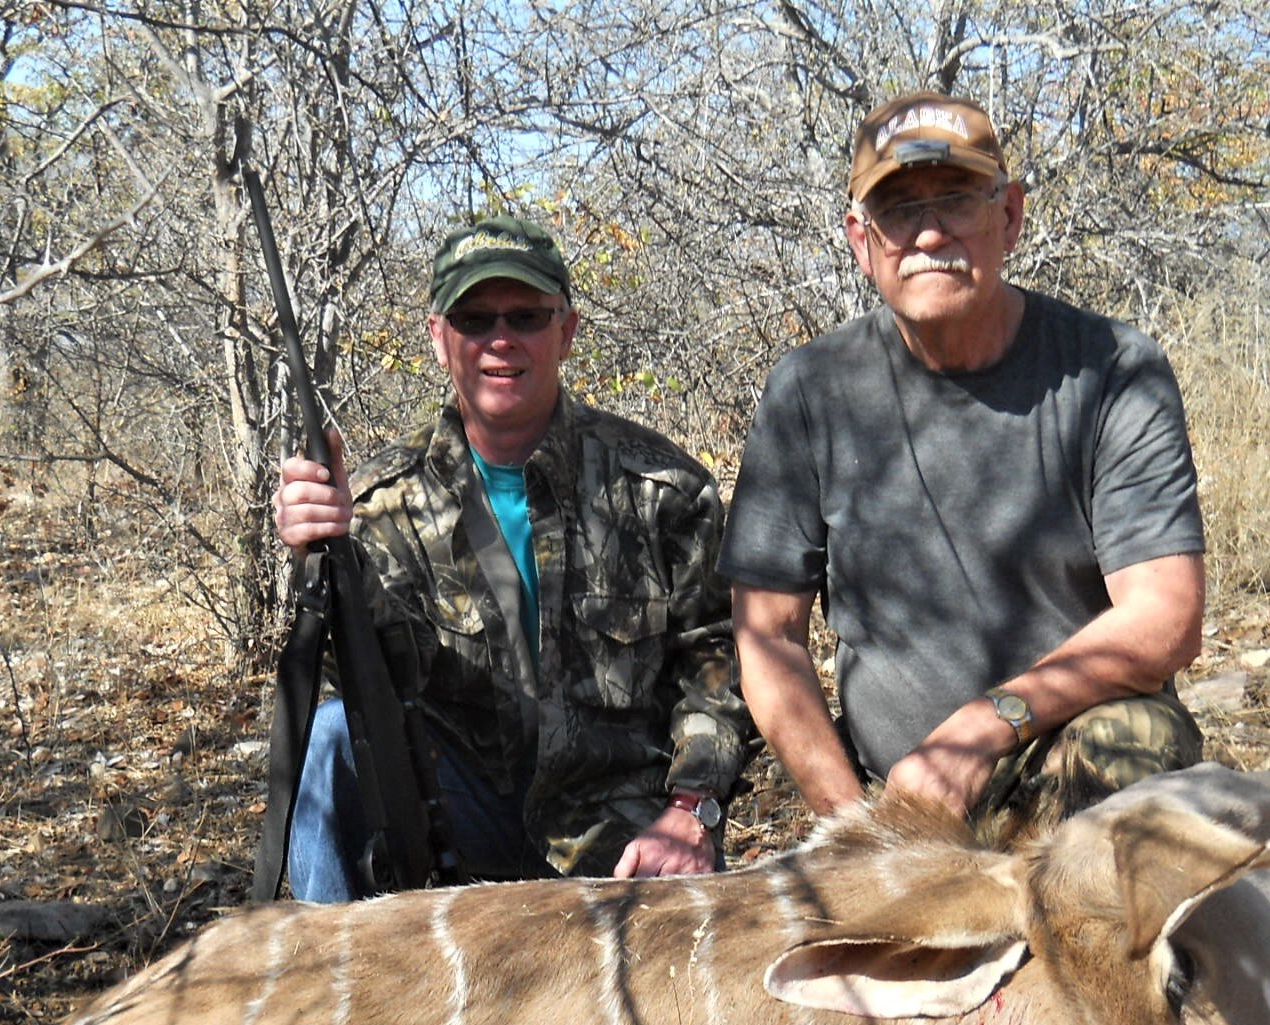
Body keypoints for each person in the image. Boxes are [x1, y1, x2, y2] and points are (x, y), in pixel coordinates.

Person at [720, 91, 1206, 840]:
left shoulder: (1114, 368)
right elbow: (769, 640)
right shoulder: (809, 389)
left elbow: (1165, 616)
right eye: (899, 211)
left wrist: (985, 727)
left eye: (956, 201)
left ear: (1008, 216)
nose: (929, 233)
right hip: (898, 801)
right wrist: (855, 828)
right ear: (861, 239)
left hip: (1064, 763)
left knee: (1131, 746)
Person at [273, 216, 750, 900]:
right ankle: (330, 982)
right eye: (474, 319)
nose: (500, 340)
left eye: (526, 316)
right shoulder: (377, 503)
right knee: (330, 738)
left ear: (567, 330)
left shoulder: (664, 492)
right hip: (451, 822)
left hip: (621, 832)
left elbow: (722, 668)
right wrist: (318, 555)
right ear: (439, 338)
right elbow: (355, 682)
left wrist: (689, 812)